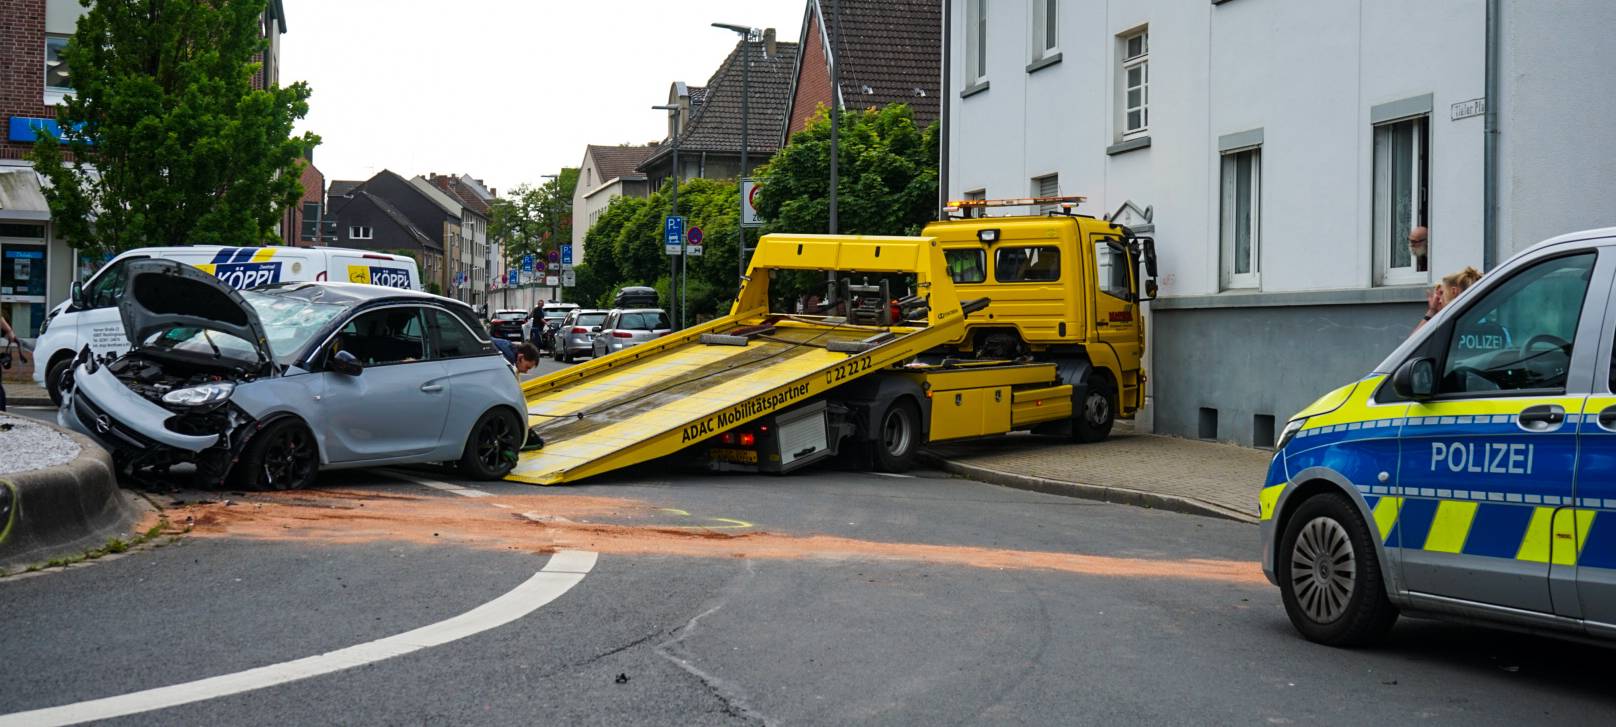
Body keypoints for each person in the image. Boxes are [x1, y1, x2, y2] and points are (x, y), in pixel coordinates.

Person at [1413, 265, 1483, 334]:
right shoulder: (1479, 317)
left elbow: (1414, 342)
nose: (1439, 300)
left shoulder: (1452, 324)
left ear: (1454, 291)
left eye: (1442, 293)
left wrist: (1431, 312)